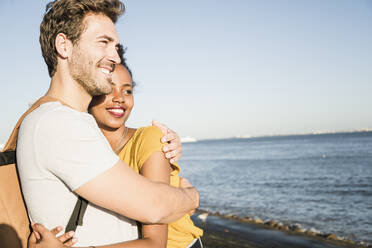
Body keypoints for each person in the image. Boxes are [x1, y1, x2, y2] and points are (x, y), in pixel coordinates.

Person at [18, 0, 199, 247]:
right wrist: (191, 196)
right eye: (103, 42)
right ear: (64, 46)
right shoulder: (58, 123)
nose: (114, 57)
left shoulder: (68, 122)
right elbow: (155, 206)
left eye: (115, 46)